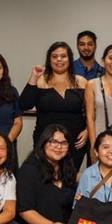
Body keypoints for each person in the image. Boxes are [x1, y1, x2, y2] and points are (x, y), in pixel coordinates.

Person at [16, 124, 82, 224]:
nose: (58, 147)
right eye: (53, 142)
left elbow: (81, 182)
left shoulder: (67, 167)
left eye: (63, 143)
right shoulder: (28, 171)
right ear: (43, 143)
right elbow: (25, 211)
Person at [20, 42, 90, 172]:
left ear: (69, 59)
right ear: (49, 60)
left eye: (63, 56)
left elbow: (92, 112)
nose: (59, 59)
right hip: (45, 141)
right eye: (54, 56)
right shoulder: (40, 80)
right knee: (45, 177)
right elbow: (24, 104)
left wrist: (87, 131)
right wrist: (34, 77)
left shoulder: (82, 82)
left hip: (75, 142)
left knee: (69, 178)